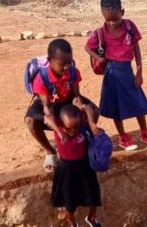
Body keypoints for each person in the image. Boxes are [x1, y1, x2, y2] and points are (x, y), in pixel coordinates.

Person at [85, 0, 147, 151]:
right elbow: (87, 47)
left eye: (115, 19)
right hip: (111, 73)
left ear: (122, 12)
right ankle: (123, 137)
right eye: (108, 20)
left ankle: (144, 132)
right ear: (103, 15)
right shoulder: (100, 32)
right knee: (116, 106)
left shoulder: (129, 26)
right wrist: (100, 59)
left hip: (127, 71)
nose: (112, 23)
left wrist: (139, 71)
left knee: (138, 102)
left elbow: (136, 47)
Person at [25, 39, 97, 172]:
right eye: (61, 64)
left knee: (93, 111)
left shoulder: (73, 72)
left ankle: (80, 141)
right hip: (49, 104)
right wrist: (56, 126)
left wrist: (82, 109)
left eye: (69, 63)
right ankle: (50, 151)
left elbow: (76, 96)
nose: (66, 67)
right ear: (50, 60)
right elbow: (47, 107)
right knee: (30, 121)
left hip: (67, 101)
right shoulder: (41, 78)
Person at [51, 102, 103, 227]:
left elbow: (87, 108)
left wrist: (91, 123)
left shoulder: (82, 127)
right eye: (69, 128)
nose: (73, 131)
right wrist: (58, 130)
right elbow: (46, 118)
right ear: (61, 123)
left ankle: (92, 217)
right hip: (66, 169)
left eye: (76, 126)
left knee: (93, 195)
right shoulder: (59, 130)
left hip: (84, 166)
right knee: (69, 200)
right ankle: (72, 223)